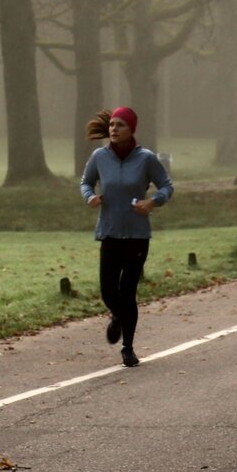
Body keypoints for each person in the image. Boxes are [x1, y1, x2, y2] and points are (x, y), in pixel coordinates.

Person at [79, 106, 173, 367]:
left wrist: (153, 202)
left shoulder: (146, 159)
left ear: (131, 129)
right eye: (111, 125)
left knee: (128, 291)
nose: (113, 129)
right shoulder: (99, 157)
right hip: (109, 232)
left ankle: (128, 348)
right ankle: (118, 317)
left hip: (137, 236)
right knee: (108, 291)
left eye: (120, 125)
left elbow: (167, 185)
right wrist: (90, 197)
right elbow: (85, 182)